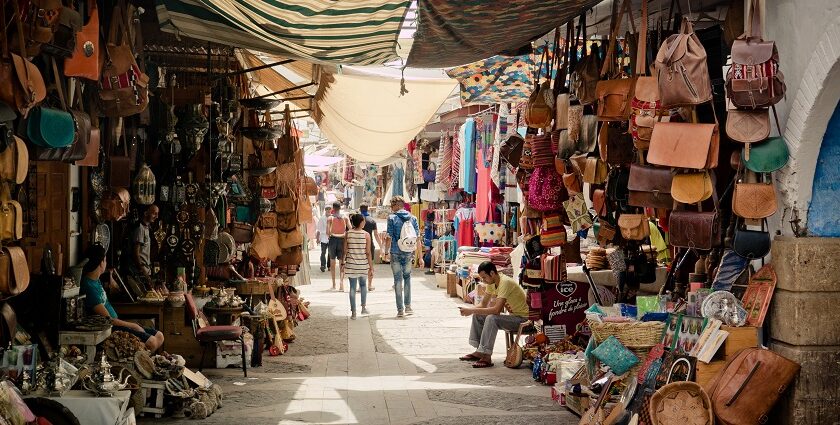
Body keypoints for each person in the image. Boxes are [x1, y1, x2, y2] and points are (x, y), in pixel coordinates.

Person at [81, 245, 164, 352]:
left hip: (117, 323)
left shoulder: (96, 280)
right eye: (105, 260)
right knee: (152, 342)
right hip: (111, 328)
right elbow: (108, 320)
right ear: (101, 263)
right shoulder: (88, 286)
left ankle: (142, 360)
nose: (105, 263)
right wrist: (133, 325)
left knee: (159, 336)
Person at [458, 261, 529, 368]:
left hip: (524, 320)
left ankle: (486, 356)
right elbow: (483, 304)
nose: (483, 281)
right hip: (514, 317)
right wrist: (469, 309)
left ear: (492, 273)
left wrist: (471, 311)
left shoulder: (505, 282)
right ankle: (480, 351)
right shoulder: (492, 283)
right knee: (478, 315)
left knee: (492, 318)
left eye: (484, 277)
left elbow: (496, 310)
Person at [386, 196, 419, 318]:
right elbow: (417, 239)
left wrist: (385, 252)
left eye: (392, 206)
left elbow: (389, 237)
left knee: (397, 280)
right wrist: (419, 256)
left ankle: (400, 310)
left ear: (396, 205)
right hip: (408, 252)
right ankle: (408, 306)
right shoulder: (413, 218)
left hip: (395, 252)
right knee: (407, 278)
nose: (391, 208)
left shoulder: (392, 218)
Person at [342, 214, 373, 319]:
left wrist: (342, 263)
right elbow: (368, 252)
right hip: (363, 264)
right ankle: (363, 308)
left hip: (351, 265)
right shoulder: (366, 235)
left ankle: (353, 313)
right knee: (363, 285)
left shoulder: (348, 234)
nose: (364, 222)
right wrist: (371, 267)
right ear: (360, 222)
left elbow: (345, 250)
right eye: (363, 221)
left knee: (352, 288)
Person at [124, 205, 159, 280]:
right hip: (139, 272)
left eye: (157, 214)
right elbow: (136, 253)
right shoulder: (140, 228)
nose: (156, 216)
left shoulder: (146, 228)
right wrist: (143, 271)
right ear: (146, 213)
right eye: (154, 213)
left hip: (146, 270)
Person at [327, 201, 351, 291]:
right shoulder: (345, 217)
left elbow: (327, 232)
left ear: (333, 208)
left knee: (332, 263)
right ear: (340, 207)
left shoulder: (330, 218)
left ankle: (333, 284)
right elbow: (350, 228)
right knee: (342, 262)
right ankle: (341, 283)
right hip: (342, 240)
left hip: (333, 240)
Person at [359, 204, 382, 291]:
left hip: (359, 245)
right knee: (370, 265)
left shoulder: (357, 219)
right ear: (368, 209)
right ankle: (369, 285)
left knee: (359, 265)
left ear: (360, 209)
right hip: (369, 245)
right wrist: (381, 246)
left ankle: (360, 285)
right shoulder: (372, 220)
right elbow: (376, 235)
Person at [315, 206, 331, 272]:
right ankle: (322, 265)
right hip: (324, 238)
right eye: (327, 210)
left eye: (329, 210)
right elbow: (318, 229)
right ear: (325, 210)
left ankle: (329, 266)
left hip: (331, 238)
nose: (328, 211)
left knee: (330, 253)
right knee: (323, 252)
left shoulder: (332, 218)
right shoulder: (322, 218)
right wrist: (317, 238)